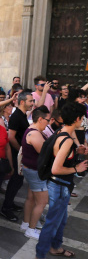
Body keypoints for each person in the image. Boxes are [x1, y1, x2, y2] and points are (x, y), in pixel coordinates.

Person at [35, 102, 88, 259]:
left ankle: (55, 246)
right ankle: (40, 255)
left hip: (60, 186)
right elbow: (56, 169)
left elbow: (62, 154)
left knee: (61, 220)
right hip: (59, 186)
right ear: (77, 118)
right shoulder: (67, 141)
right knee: (51, 224)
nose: (84, 120)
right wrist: (77, 168)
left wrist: (76, 151)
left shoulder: (62, 132)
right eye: (83, 117)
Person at [1, 92, 34, 222]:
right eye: (30, 101)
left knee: (18, 181)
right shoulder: (16, 117)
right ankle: (6, 208)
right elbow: (11, 137)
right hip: (16, 155)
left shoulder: (22, 115)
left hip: (19, 154)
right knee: (15, 181)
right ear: (22, 102)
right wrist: (21, 150)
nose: (32, 103)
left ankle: (10, 203)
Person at [20, 106, 50, 240]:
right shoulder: (35, 134)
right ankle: (31, 230)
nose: (48, 123)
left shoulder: (33, 130)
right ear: (40, 119)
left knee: (31, 198)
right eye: (47, 120)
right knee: (42, 202)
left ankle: (26, 224)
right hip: (35, 172)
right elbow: (45, 155)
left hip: (30, 170)